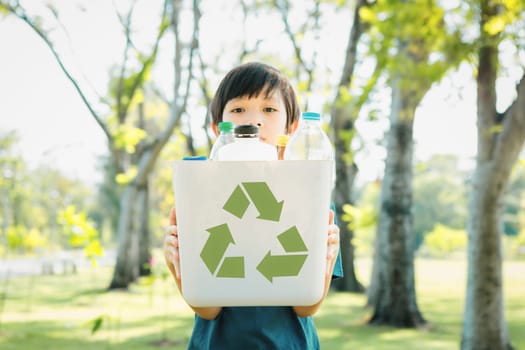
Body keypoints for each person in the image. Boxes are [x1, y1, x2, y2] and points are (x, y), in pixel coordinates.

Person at [164, 61, 343, 349]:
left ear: (292, 127)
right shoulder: (200, 192)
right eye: (238, 110)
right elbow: (208, 309)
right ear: (216, 128)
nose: (253, 120)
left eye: (269, 110)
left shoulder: (310, 193)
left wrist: (327, 260)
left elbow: (305, 307)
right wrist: (177, 268)